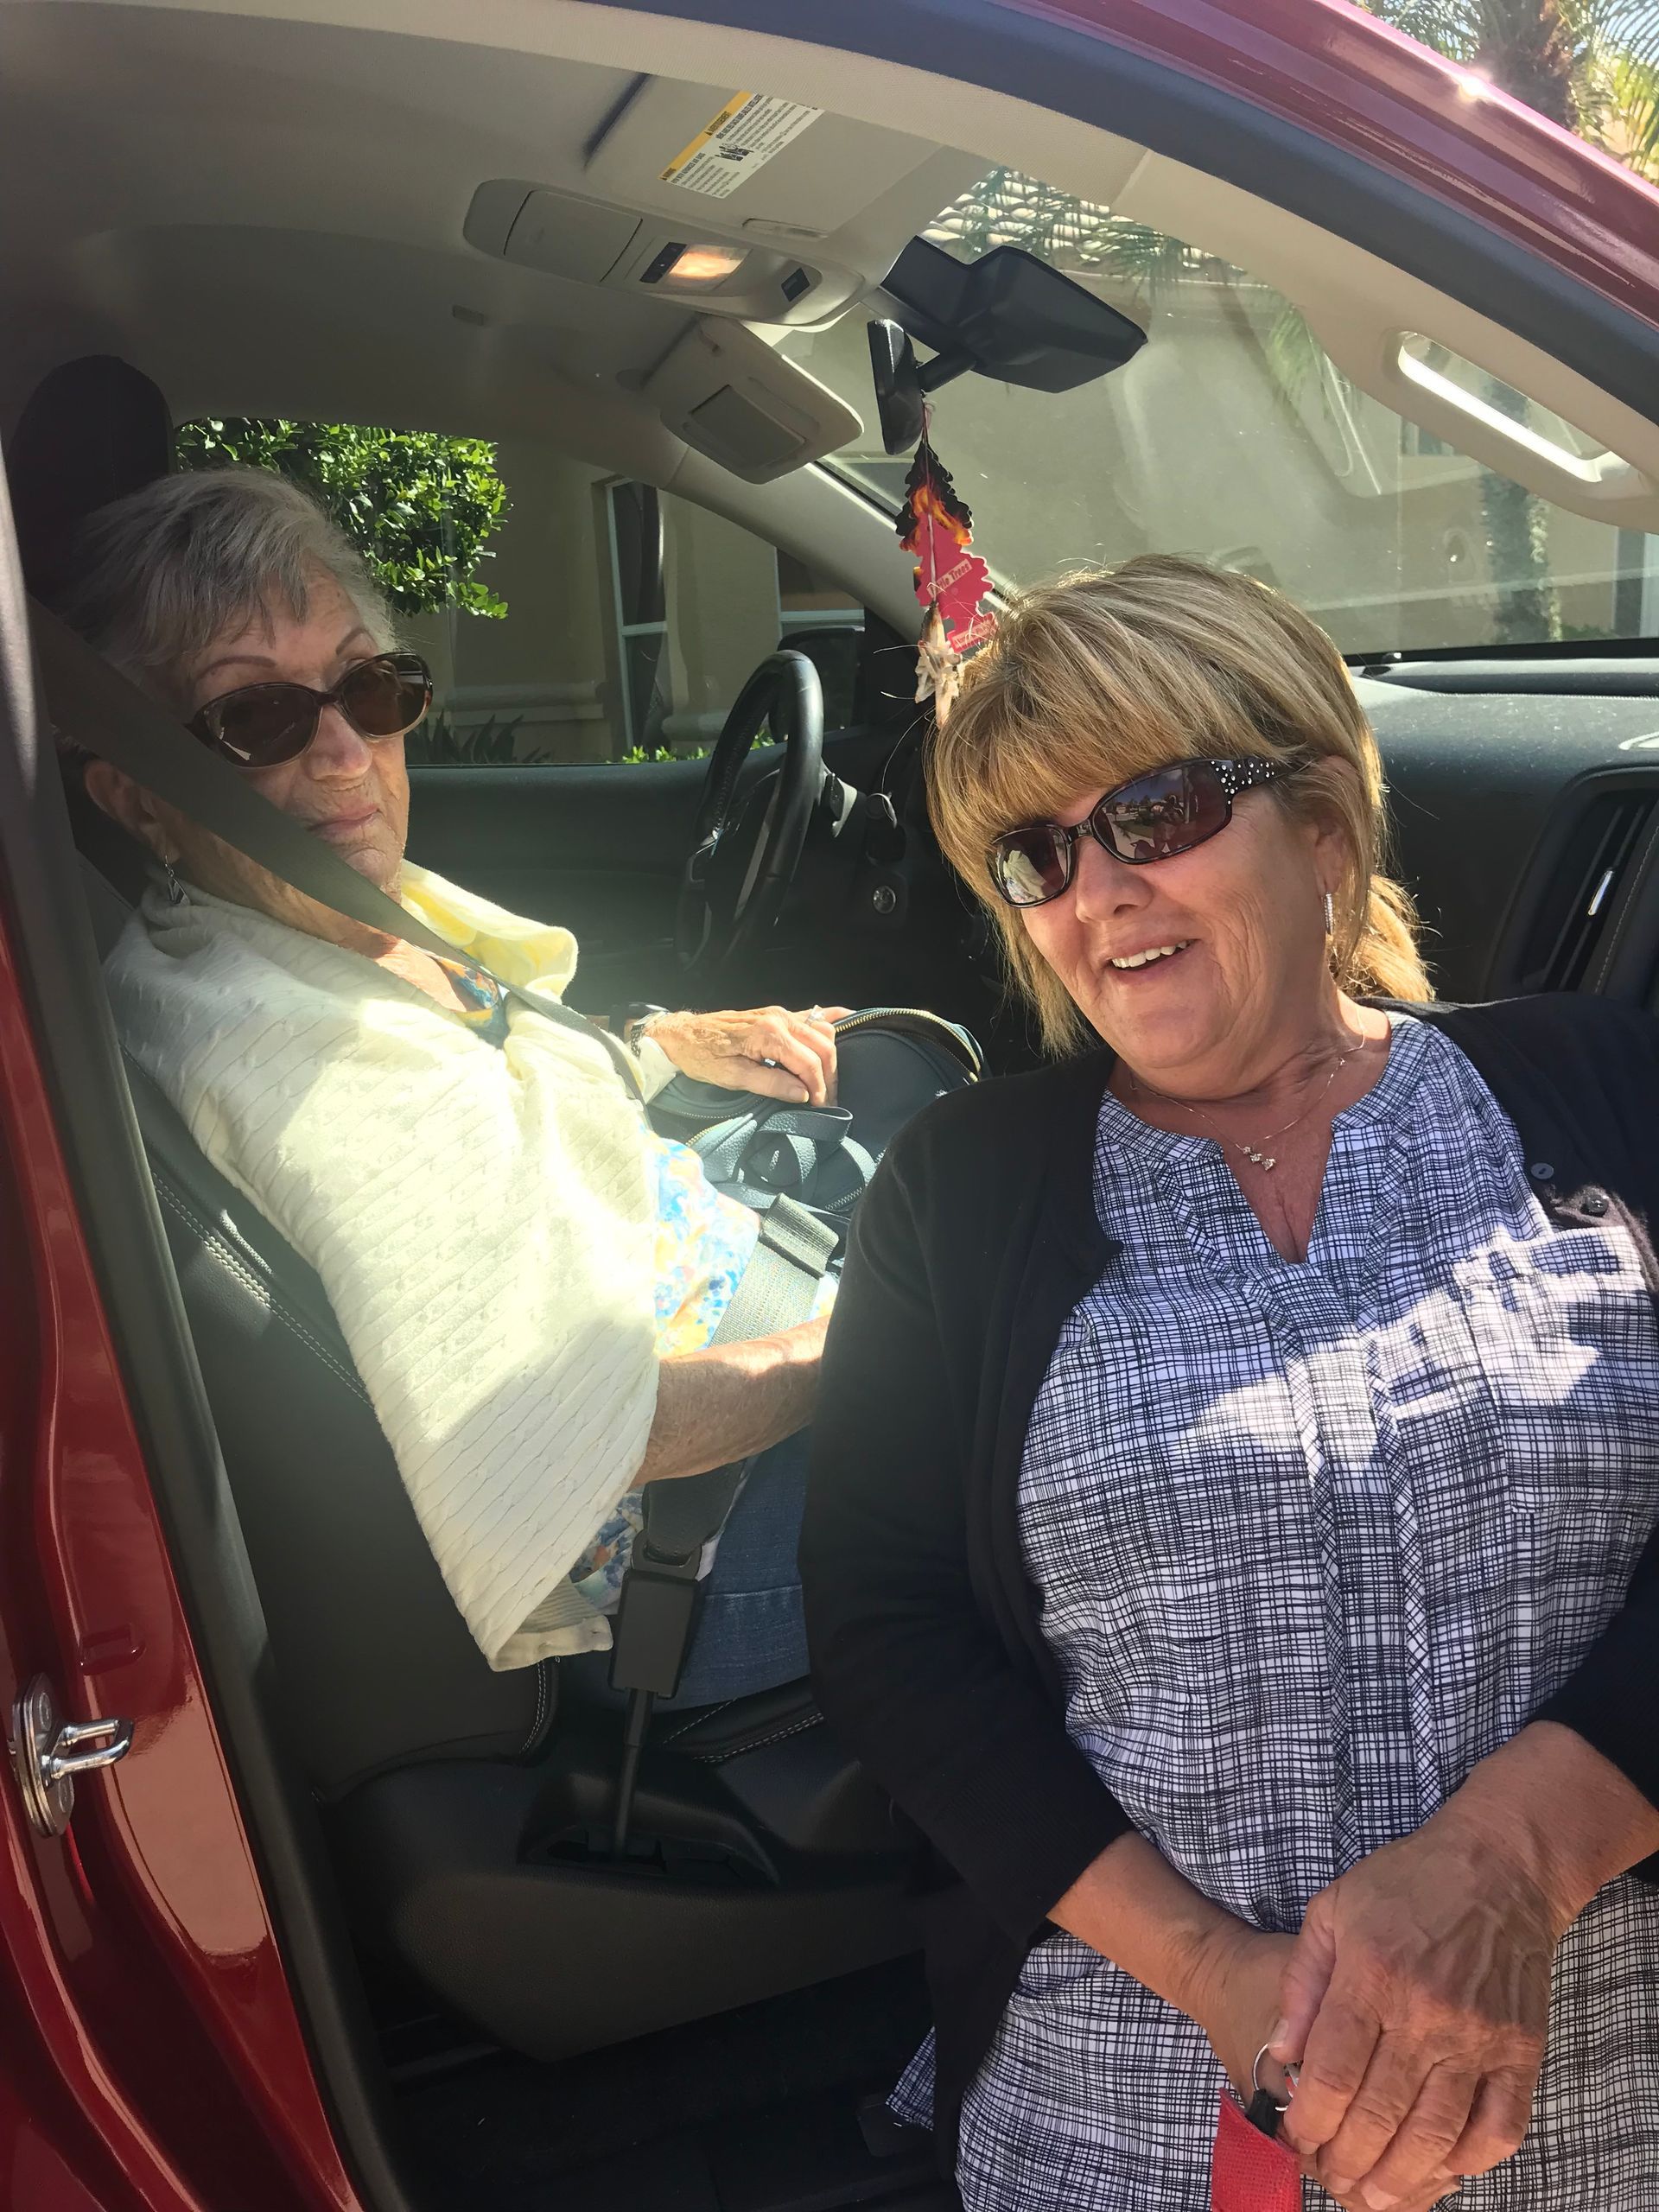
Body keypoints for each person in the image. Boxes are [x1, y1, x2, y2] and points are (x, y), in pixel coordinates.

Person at [800, 557, 1659, 2210]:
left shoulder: (1607, 1095)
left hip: (1618, 2091)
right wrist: (1220, 1979)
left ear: (1324, 821)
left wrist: (1507, 1865)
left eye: (1156, 811)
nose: (1096, 892)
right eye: (1035, 855)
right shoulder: (959, 1194)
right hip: (1142, 2112)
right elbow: (888, 1631)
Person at [65, 465, 845, 1702]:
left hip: (733, 1368)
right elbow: (574, 1437)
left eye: (371, 689)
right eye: (256, 720)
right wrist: (878, 1334)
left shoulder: (275, 938)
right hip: (693, 1554)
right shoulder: (311, 1064)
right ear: (141, 799)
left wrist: (656, 1042)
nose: (342, 753)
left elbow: (495, 1089)